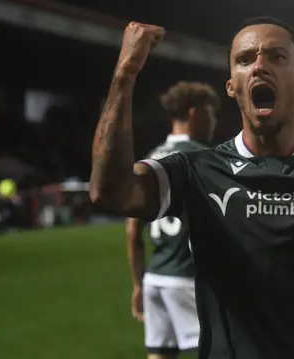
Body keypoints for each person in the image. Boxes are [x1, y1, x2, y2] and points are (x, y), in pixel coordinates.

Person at [90, 16, 294, 359]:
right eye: (245, 59)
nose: (260, 66)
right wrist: (124, 75)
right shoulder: (196, 170)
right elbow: (110, 191)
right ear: (232, 86)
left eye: (277, 57)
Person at [126, 81, 220, 359]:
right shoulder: (202, 158)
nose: (214, 121)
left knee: (159, 355)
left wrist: (138, 283)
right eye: (211, 113)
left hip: (156, 278)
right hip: (187, 278)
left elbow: (132, 230)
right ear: (194, 113)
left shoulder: (151, 159)